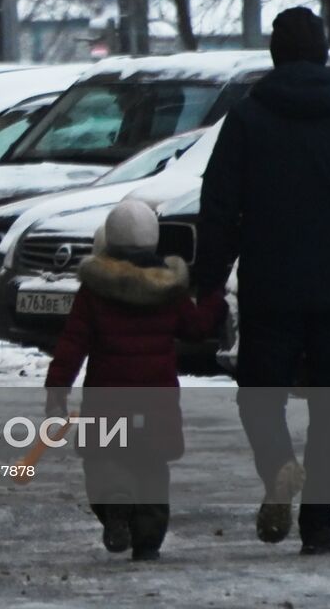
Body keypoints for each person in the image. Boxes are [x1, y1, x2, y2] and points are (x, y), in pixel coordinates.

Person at [196, 7, 330, 555]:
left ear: (275, 55)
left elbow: (219, 210)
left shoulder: (247, 120)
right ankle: (319, 522)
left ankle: (278, 470)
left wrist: (206, 282)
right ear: (322, 53)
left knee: (259, 398)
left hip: (271, 289)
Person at [45, 199, 226, 562]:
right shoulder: (169, 290)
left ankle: (115, 506)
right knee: (151, 468)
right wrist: (214, 298)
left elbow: (72, 343)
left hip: (107, 401)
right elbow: (197, 329)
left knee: (101, 460)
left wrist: (57, 390)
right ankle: (147, 541)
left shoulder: (95, 290)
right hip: (156, 403)